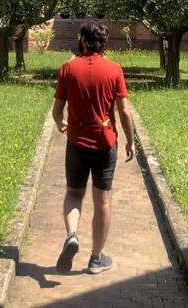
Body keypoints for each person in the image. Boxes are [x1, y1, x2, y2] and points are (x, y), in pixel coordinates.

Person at [52, 20, 135, 275]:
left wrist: (61, 123)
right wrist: (131, 140)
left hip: (76, 142)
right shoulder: (114, 70)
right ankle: (96, 259)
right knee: (103, 201)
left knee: (74, 193)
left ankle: (72, 235)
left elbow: (57, 111)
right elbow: (123, 111)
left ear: (82, 41)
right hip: (104, 142)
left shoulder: (68, 68)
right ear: (104, 43)